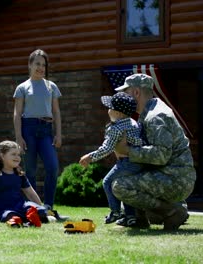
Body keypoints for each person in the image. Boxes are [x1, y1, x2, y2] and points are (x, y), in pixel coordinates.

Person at [112, 73, 196, 231]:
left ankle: (172, 212)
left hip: (175, 179)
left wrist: (128, 151)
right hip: (168, 176)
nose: (123, 97)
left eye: (126, 92)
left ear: (136, 92)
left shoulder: (156, 116)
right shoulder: (149, 112)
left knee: (120, 186)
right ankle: (142, 217)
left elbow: (161, 156)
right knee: (127, 174)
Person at [13, 49, 68, 221]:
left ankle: (48, 207)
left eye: (43, 65)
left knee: (52, 167)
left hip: (46, 130)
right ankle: (32, 208)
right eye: (37, 64)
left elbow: (57, 112)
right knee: (30, 170)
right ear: (30, 65)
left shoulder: (51, 86)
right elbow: (17, 113)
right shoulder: (22, 87)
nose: (41, 68)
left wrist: (58, 134)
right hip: (28, 129)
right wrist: (18, 137)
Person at [79, 92, 143, 226]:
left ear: (118, 113)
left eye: (110, 108)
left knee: (107, 182)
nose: (108, 110)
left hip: (126, 162)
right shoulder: (133, 123)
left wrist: (90, 157)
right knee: (125, 186)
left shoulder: (116, 128)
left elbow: (107, 148)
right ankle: (130, 217)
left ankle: (115, 212)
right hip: (138, 161)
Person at [0, 140, 48, 227]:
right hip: (3, 210)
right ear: (2, 156)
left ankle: (27, 219)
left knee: (40, 211)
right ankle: (25, 220)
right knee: (10, 216)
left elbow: (30, 193)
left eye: (18, 155)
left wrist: (41, 209)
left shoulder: (19, 173)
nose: (17, 157)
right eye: (13, 154)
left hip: (20, 206)